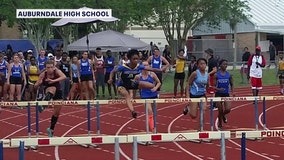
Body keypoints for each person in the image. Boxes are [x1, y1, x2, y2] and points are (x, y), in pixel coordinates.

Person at [108, 49, 164, 118]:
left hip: (133, 83)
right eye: (134, 59)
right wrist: (110, 79)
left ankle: (143, 93)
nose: (136, 60)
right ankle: (133, 111)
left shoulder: (138, 66)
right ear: (130, 59)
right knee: (127, 95)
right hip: (122, 86)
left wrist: (161, 70)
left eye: (137, 59)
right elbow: (112, 71)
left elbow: (151, 69)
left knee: (152, 85)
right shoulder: (123, 67)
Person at [34, 60, 67, 137]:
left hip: (58, 92)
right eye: (48, 67)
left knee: (56, 112)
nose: (50, 69)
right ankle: (43, 106)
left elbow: (64, 77)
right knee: (52, 89)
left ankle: (51, 129)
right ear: (45, 68)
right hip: (48, 90)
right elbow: (35, 86)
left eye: (51, 67)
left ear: (54, 67)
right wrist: (38, 84)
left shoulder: (57, 71)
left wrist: (53, 80)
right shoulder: (43, 74)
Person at [134, 61, 161, 132]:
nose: (146, 67)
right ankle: (152, 129)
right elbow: (134, 84)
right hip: (145, 96)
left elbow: (159, 82)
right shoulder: (138, 76)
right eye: (144, 66)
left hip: (153, 95)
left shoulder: (152, 74)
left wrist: (155, 88)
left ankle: (153, 126)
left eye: (147, 65)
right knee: (150, 111)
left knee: (154, 112)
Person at [184, 58, 209, 131]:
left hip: (202, 95)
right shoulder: (195, 73)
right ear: (198, 65)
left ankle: (200, 129)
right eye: (201, 64)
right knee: (193, 116)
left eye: (204, 64)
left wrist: (209, 87)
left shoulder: (207, 74)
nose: (203, 65)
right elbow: (188, 84)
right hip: (194, 95)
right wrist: (188, 96)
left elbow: (207, 85)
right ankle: (188, 108)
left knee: (204, 110)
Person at [213, 59, 234, 130]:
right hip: (218, 94)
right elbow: (213, 86)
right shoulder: (216, 75)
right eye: (224, 64)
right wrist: (218, 89)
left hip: (226, 94)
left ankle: (223, 115)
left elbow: (232, 84)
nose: (225, 65)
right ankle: (220, 124)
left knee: (228, 109)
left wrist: (233, 92)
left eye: (226, 64)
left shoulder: (229, 74)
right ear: (220, 65)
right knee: (220, 110)